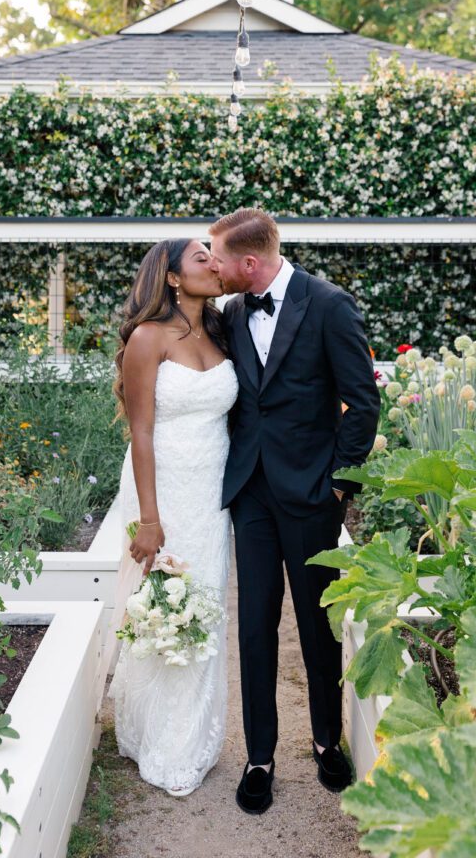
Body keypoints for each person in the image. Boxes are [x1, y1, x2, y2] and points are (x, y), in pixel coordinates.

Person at [208, 208, 380, 815]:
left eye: (218, 258)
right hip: (250, 494)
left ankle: (327, 741)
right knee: (254, 625)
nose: (213, 266)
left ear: (248, 263)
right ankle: (260, 756)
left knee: (316, 626)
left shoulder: (329, 305)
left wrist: (336, 487)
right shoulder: (228, 313)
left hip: (312, 498)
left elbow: (363, 403)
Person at [108, 238, 238, 796]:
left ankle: (197, 732)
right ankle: (164, 738)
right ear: (173, 279)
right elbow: (140, 431)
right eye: (201, 259)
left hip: (214, 496)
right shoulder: (147, 338)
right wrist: (150, 521)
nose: (214, 263)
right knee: (168, 607)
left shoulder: (222, 329)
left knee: (207, 607)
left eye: (215, 255)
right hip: (163, 492)